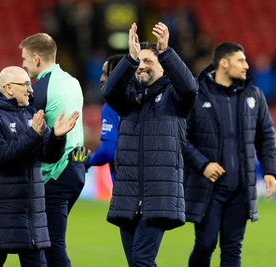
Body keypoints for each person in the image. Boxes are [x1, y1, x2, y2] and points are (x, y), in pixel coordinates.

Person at [102, 22, 198, 266]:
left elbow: (190, 89)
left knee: (142, 260)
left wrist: (166, 53)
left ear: (162, 68)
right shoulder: (128, 98)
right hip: (128, 196)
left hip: (159, 195)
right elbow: (109, 93)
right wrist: (129, 60)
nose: (142, 66)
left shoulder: (174, 98)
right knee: (136, 262)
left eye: (148, 62)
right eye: (139, 62)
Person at [0, 66, 79, 267]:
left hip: (30, 211)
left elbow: (48, 155)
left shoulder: (29, 113)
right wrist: (32, 135)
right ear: (9, 88)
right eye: (26, 85)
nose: (31, 90)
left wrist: (57, 137)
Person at [184, 42, 276, 267]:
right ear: (223, 63)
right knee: (205, 245)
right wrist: (203, 164)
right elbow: (180, 137)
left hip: (240, 188)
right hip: (209, 188)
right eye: (241, 60)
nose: (247, 65)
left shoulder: (254, 95)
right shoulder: (196, 96)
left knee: (232, 248)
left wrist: (269, 171)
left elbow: (266, 135)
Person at [19, 33, 88, 267]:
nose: (24, 65)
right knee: (50, 243)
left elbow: (21, 127)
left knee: (51, 244)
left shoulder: (40, 90)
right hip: (77, 167)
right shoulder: (73, 81)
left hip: (56, 172)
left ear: (36, 58)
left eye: (25, 59)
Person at [85, 54, 124, 182]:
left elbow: (108, 151)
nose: (101, 79)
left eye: (106, 74)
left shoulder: (112, 106)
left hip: (126, 186)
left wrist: (87, 160)